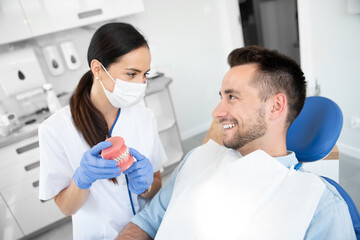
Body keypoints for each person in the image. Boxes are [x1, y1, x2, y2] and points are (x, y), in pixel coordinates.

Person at [116, 46, 356, 240]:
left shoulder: (321, 208)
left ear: (275, 107)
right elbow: (145, 223)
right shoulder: (196, 159)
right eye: (221, 97)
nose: (217, 112)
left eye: (232, 97)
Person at [38, 22, 167, 239]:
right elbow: (66, 208)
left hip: (146, 230)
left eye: (145, 74)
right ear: (98, 69)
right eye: (131, 74)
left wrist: (146, 185)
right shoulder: (55, 129)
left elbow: (156, 184)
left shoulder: (144, 116)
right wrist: (83, 178)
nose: (141, 84)